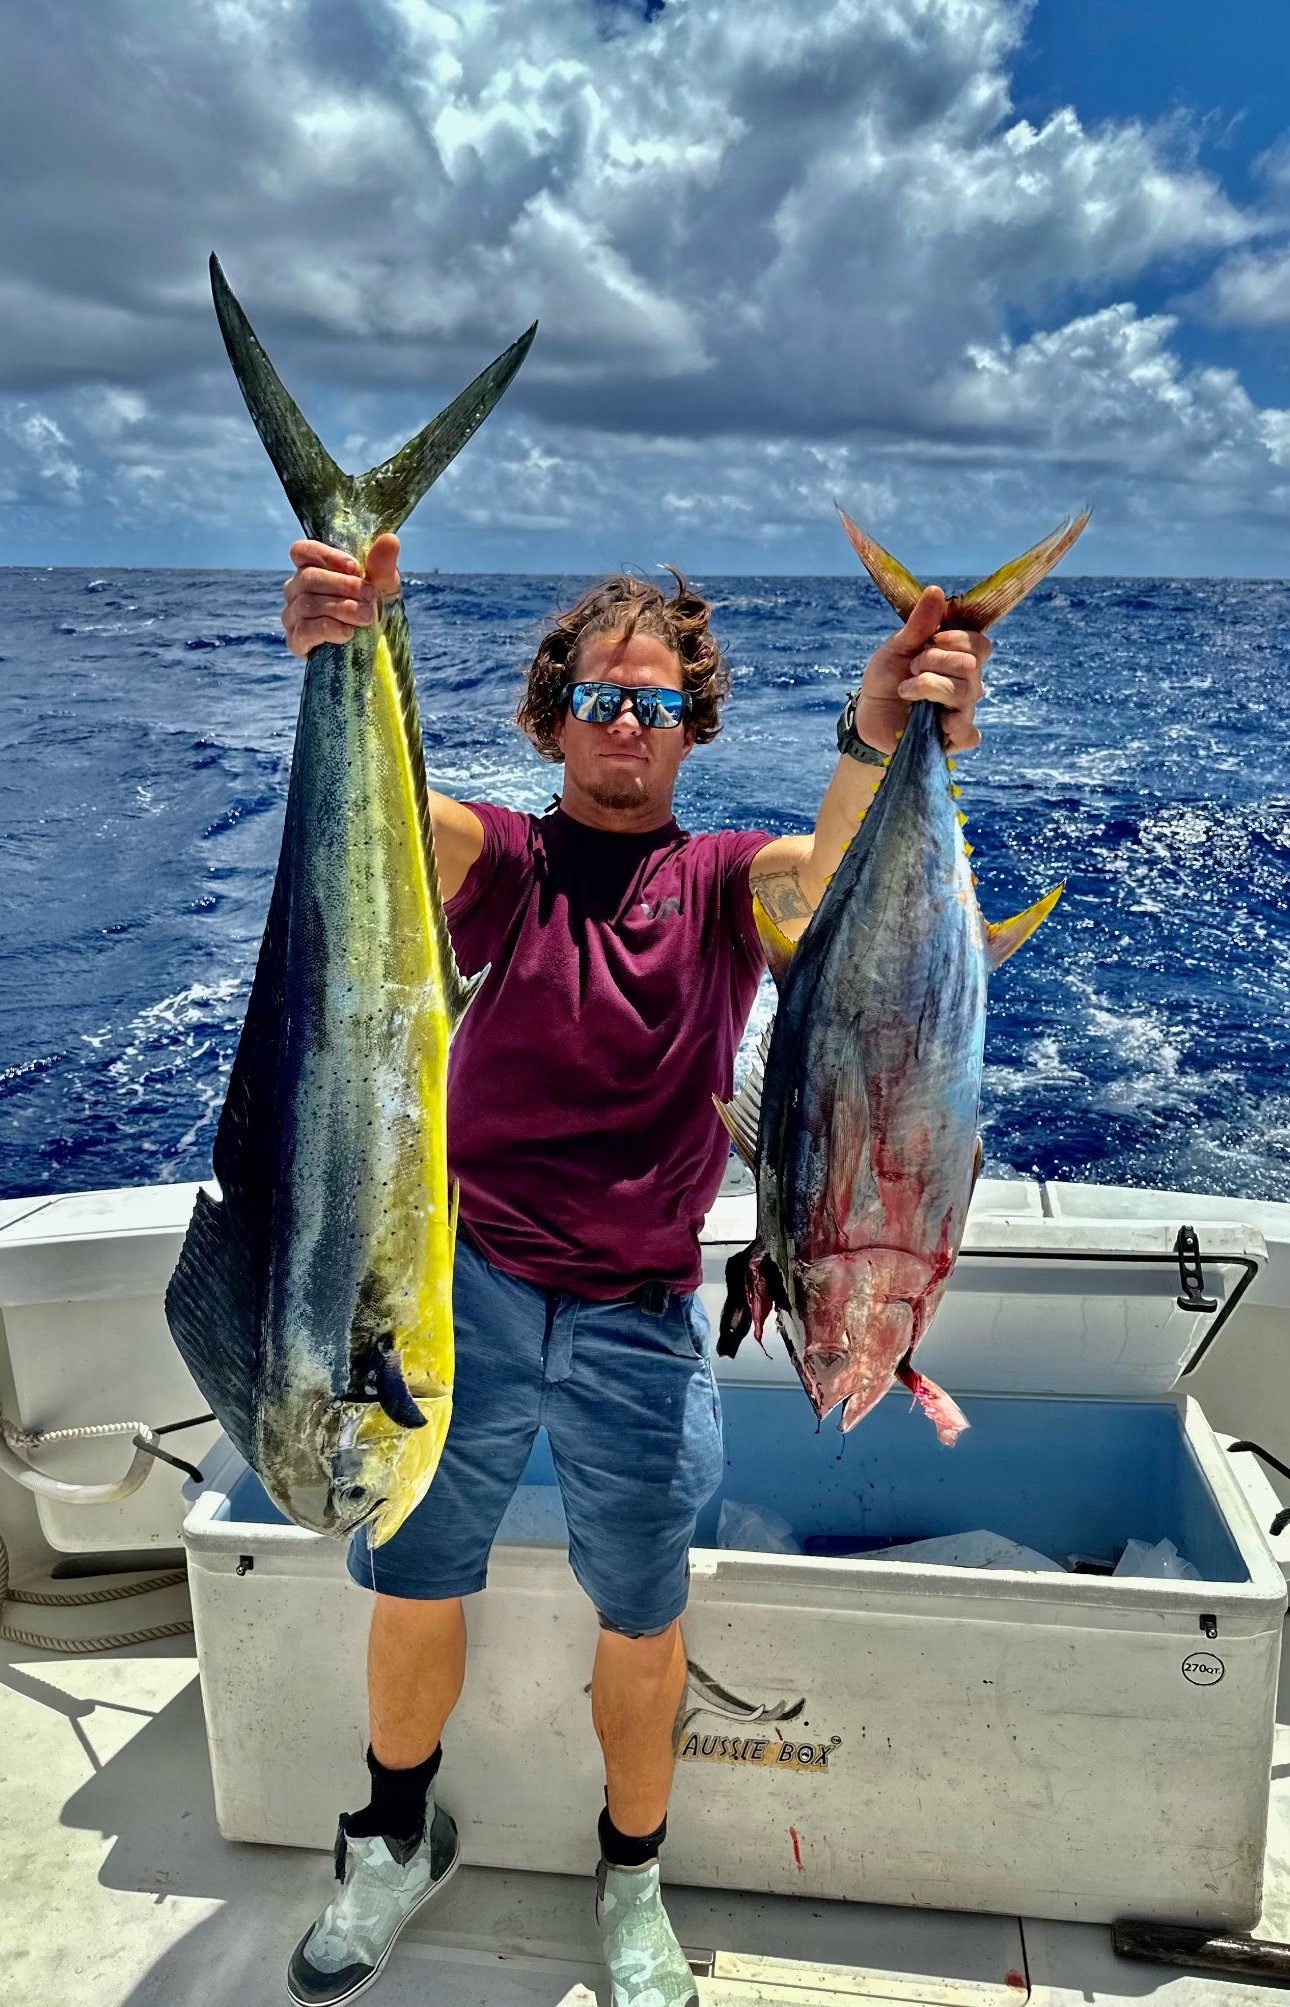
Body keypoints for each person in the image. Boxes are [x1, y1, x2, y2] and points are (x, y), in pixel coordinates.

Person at [279, 531, 987, 2007]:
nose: (623, 726)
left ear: (691, 730)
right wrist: (348, 651)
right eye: (597, 702)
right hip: (455, 1298)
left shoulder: (730, 882)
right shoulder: (499, 859)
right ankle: (391, 1840)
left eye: (653, 708)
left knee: (642, 1614)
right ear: (549, 722)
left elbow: (845, 876)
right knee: (412, 1576)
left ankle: (632, 1878)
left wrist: (889, 723)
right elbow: (375, 816)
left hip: (644, 1315)